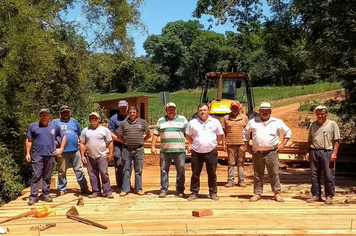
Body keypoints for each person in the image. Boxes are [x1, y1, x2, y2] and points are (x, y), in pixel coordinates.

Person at [243, 102, 291, 202]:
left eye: (267, 111)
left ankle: (276, 193)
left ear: (270, 111)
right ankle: (257, 193)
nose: (265, 112)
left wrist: (282, 144)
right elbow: (245, 134)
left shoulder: (277, 122)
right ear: (259, 111)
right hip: (257, 152)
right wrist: (247, 146)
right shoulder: (253, 122)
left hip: (272, 152)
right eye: (262, 110)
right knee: (257, 174)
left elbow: (288, 132)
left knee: (273, 173)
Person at [25, 109, 66, 205]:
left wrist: (61, 149)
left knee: (47, 177)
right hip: (38, 155)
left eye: (46, 115)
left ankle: (45, 194)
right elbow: (29, 140)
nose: (44, 116)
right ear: (40, 116)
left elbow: (63, 137)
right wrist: (27, 153)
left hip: (50, 155)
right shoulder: (33, 126)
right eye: (42, 115)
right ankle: (33, 196)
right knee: (36, 175)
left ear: (49, 116)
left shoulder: (55, 126)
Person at [185, 103, 224, 201]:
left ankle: (213, 193)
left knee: (212, 173)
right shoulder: (192, 122)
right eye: (201, 110)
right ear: (198, 111)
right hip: (196, 152)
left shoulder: (215, 122)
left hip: (211, 152)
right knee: (195, 173)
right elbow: (188, 135)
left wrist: (214, 144)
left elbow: (220, 135)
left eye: (205, 110)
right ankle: (194, 192)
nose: (203, 112)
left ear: (209, 111)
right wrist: (194, 143)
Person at [151, 102, 188, 198]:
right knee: (164, 170)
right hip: (165, 150)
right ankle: (164, 189)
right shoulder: (161, 121)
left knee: (181, 170)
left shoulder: (183, 119)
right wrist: (153, 146)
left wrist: (191, 144)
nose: (171, 111)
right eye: (169, 109)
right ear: (166, 110)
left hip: (179, 150)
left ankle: (180, 189)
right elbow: (155, 134)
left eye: (173, 109)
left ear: (176, 110)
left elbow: (189, 133)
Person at [305, 105, 340, 204]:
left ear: (326, 114)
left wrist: (334, 153)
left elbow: (337, 140)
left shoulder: (332, 124)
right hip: (314, 151)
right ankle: (316, 195)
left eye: (322, 114)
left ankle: (329, 196)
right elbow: (309, 140)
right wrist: (307, 152)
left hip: (327, 152)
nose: (320, 116)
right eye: (318, 114)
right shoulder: (312, 125)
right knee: (314, 175)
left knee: (328, 175)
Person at [53, 105, 89, 196]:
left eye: (67, 112)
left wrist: (82, 144)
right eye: (63, 112)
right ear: (60, 113)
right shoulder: (55, 122)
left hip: (75, 150)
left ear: (70, 113)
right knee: (62, 171)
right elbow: (50, 135)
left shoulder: (74, 121)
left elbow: (79, 134)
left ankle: (84, 188)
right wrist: (55, 143)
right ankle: (62, 189)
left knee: (79, 170)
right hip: (62, 151)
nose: (66, 114)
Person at [117, 106, 151, 196]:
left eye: (134, 112)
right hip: (126, 149)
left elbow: (148, 134)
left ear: (137, 113)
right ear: (128, 113)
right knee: (125, 170)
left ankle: (138, 189)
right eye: (130, 112)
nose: (132, 114)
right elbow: (119, 135)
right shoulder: (123, 124)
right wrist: (123, 141)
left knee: (138, 170)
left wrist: (142, 141)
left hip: (139, 149)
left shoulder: (142, 122)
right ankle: (125, 189)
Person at [79, 112, 114, 198]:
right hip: (90, 156)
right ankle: (96, 191)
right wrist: (82, 155)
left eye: (95, 118)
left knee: (104, 173)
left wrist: (111, 154)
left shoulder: (105, 130)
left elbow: (110, 142)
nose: (93, 119)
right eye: (91, 118)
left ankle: (107, 191)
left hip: (102, 156)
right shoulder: (85, 131)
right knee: (92, 175)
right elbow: (82, 143)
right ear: (90, 120)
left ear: (99, 119)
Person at [222, 101, 249, 188]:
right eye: (233, 107)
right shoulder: (226, 118)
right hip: (230, 143)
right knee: (231, 163)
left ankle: (241, 181)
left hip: (242, 143)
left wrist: (247, 143)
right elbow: (223, 132)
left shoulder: (244, 118)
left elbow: (248, 131)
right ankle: (230, 181)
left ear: (239, 108)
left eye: (236, 108)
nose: (234, 109)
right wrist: (224, 143)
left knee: (240, 163)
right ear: (230, 108)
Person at [108, 100, 129, 191]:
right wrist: (119, 139)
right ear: (118, 108)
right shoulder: (114, 118)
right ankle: (120, 185)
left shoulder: (131, 117)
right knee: (119, 163)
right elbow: (110, 132)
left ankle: (126, 184)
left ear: (127, 107)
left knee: (128, 164)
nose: (123, 109)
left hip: (129, 144)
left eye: (125, 107)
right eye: (121, 107)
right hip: (117, 144)